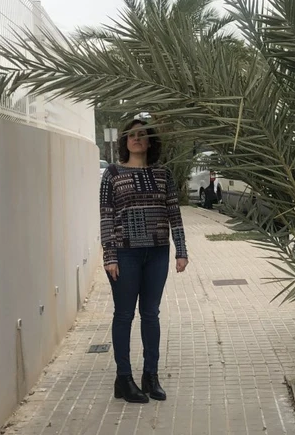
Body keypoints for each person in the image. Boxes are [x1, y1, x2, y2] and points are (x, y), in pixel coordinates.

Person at [100, 118, 189, 403]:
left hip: (157, 252)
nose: (137, 139)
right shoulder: (112, 174)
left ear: (150, 142)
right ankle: (123, 378)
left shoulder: (163, 174)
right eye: (132, 135)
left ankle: (150, 376)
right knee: (124, 314)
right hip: (125, 254)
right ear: (125, 141)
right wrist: (110, 254)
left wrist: (181, 250)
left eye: (143, 135)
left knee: (151, 314)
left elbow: (174, 212)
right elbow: (106, 215)